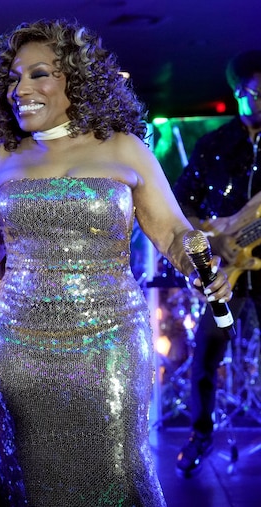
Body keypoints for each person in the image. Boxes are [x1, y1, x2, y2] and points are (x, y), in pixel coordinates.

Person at [0, 19, 234, 506]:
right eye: (12, 79)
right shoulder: (1, 158)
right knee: (32, 477)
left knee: (115, 471)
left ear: (75, 78)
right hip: (19, 344)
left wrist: (199, 267)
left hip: (110, 339)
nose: (20, 90)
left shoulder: (124, 147)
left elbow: (174, 233)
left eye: (38, 74)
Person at [172, 49, 261, 478]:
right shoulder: (213, 146)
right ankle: (200, 434)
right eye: (255, 93)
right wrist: (213, 239)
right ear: (239, 92)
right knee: (206, 355)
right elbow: (179, 206)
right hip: (223, 268)